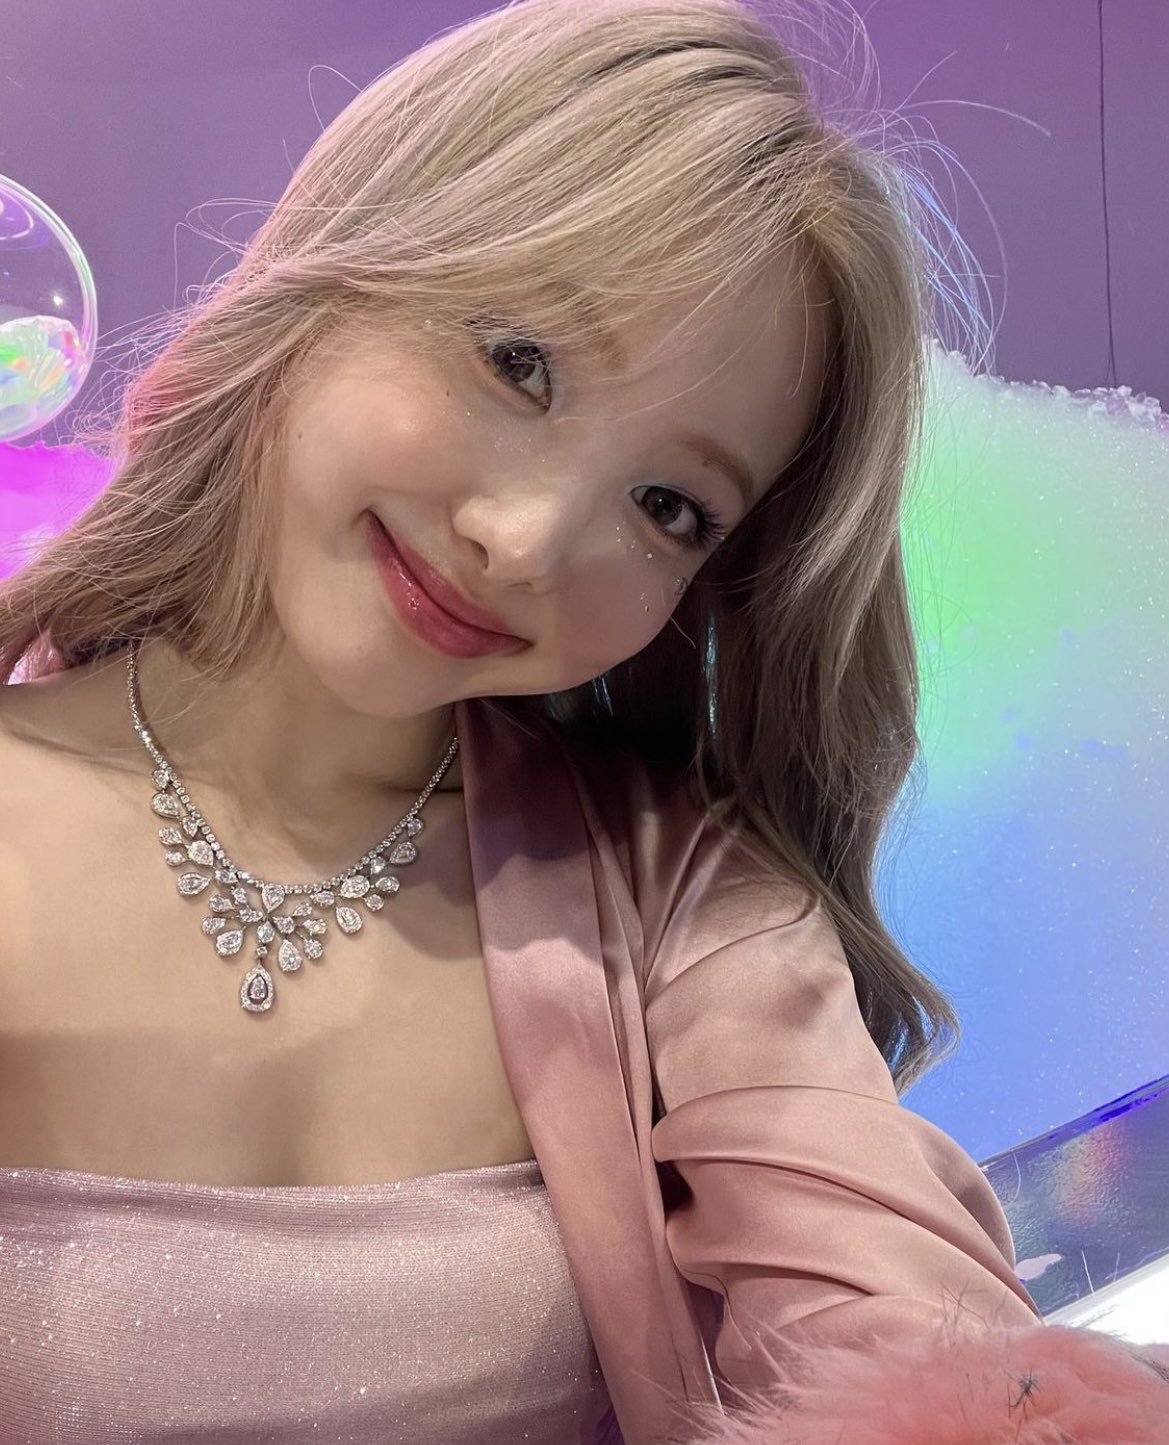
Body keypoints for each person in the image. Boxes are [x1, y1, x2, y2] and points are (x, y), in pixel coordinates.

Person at [1, 0, 1166, 1441]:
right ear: (343, 267)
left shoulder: (686, 907)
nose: (525, 540)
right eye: (516, 360)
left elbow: (911, 1333)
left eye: (668, 504)